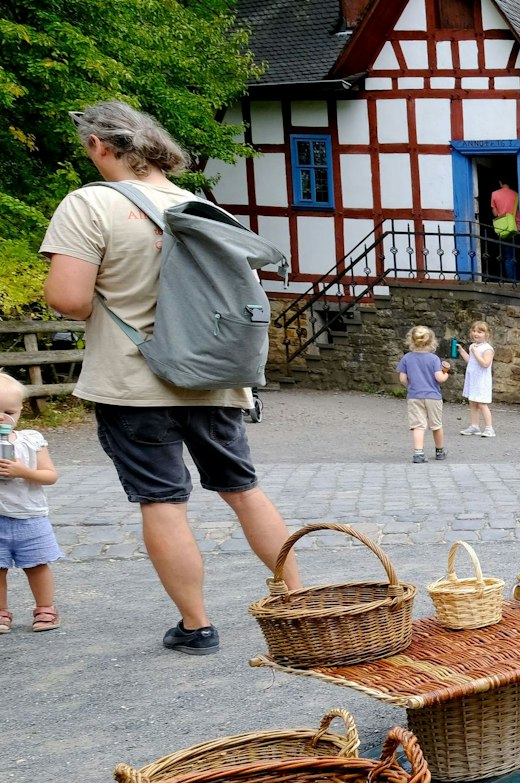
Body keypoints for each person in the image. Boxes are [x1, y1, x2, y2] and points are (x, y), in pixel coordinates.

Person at [39, 100, 299, 656]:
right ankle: (299, 599)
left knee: (162, 500)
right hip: (215, 376)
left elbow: (68, 298)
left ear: (99, 145)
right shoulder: (201, 206)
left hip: (134, 382)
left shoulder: (90, 204)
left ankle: (197, 626)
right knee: (244, 490)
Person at [0, 375, 62, 634]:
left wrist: (24, 471)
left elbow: (50, 476)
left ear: (21, 410)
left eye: (8, 412)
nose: (1, 418)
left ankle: (45, 608)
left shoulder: (31, 439)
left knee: (37, 564)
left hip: (30, 516)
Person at [398, 326, 451, 462]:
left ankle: (418, 453)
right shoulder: (434, 359)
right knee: (436, 425)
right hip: (433, 396)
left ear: (411, 340)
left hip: (415, 396)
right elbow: (439, 378)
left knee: (418, 426)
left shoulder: (407, 358)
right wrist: (446, 374)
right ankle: (439, 451)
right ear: (432, 342)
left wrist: (411, 386)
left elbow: (403, 379)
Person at [459, 320, 497, 437]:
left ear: (486, 334)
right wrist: (461, 350)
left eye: (480, 332)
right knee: (473, 402)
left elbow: (485, 364)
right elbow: (471, 361)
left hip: (481, 381)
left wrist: (475, 353)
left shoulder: (487, 349)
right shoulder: (473, 346)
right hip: (473, 379)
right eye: (474, 331)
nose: (476, 334)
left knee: (481, 403)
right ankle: (474, 426)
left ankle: (489, 428)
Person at [490, 180, 520, 280]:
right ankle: (519, 278)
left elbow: (495, 214)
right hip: (516, 227)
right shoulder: (516, 194)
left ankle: (511, 280)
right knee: (517, 254)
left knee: (507, 256)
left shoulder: (494, 194)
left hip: (502, 228)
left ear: (500, 182)